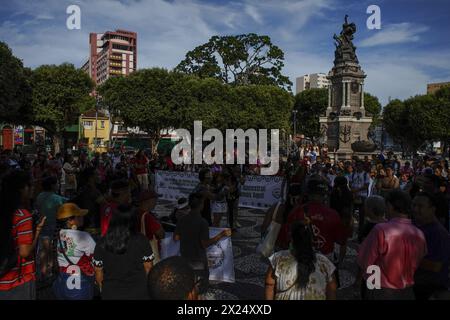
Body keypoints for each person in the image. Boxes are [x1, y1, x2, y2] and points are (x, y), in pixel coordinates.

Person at [357, 190, 427, 300]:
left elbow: (364, 261)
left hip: (380, 288)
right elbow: (420, 259)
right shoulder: (419, 233)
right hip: (407, 289)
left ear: (389, 206)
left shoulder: (381, 230)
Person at [173, 192, 232, 295]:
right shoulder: (202, 222)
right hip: (198, 262)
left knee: (187, 289)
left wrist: (188, 234)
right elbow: (205, 244)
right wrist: (221, 235)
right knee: (198, 290)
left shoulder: (182, 220)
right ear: (201, 205)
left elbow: (176, 237)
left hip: (184, 259)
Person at [0, 170, 46, 299]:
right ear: (21, 189)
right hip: (18, 279)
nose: (32, 188)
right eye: (29, 185)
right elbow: (24, 252)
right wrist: (37, 231)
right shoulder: (22, 216)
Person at [93, 205, 154, 299]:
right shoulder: (141, 240)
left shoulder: (102, 242)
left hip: (111, 293)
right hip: (139, 292)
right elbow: (148, 267)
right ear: (133, 221)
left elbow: (98, 271)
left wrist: (102, 289)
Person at [265, 221, 337, 300]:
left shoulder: (278, 258)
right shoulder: (324, 262)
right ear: (311, 240)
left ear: (291, 239)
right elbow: (332, 290)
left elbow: (269, 285)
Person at [52, 203, 96, 300]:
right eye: (79, 216)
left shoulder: (57, 234)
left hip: (60, 284)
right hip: (79, 287)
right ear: (71, 220)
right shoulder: (84, 236)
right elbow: (97, 259)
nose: (82, 217)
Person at [412, 192, 450, 300]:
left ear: (432, 209)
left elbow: (435, 266)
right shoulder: (414, 224)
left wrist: (405, 256)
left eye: (420, 206)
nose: (415, 209)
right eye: (413, 205)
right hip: (414, 284)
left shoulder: (438, 233)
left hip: (429, 288)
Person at [35, 176, 67, 280]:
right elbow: (66, 204)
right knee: (54, 249)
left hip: (41, 225)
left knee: (44, 250)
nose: (58, 185)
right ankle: (54, 270)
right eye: (57, 183)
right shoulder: (57, 198)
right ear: (53, 185)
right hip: (53, 226)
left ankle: (44, 272)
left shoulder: (39, 196)